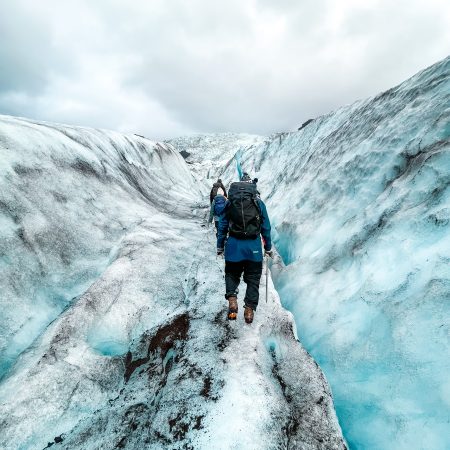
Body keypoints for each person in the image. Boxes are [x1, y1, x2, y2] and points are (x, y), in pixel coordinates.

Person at [217, 172, 272, 324]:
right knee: (253, 280)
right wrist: (268, 247)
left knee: (232, 274)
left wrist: (220, 246)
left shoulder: (230, 203)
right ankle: (249, 310)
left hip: (233, 247)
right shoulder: (258, 203)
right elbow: (266, 227)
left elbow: (222, 226)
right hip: (253, 249)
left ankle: (233, 299)